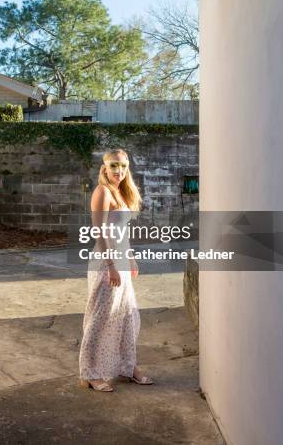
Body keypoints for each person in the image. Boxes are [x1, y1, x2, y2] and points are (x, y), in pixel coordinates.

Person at [79, 148, 154, 392]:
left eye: (123, 166)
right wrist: (111, 266)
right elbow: (99, 232)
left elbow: (122, 234)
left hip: (121, 262)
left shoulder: (121, 193)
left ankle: (128, 366)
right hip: (105, 263)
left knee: (128, 317)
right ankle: (90, 373)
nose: (118, 171)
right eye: (113, 166)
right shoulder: (102, 192)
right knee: (101, 318)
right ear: (104, 167)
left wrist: (130, 259)